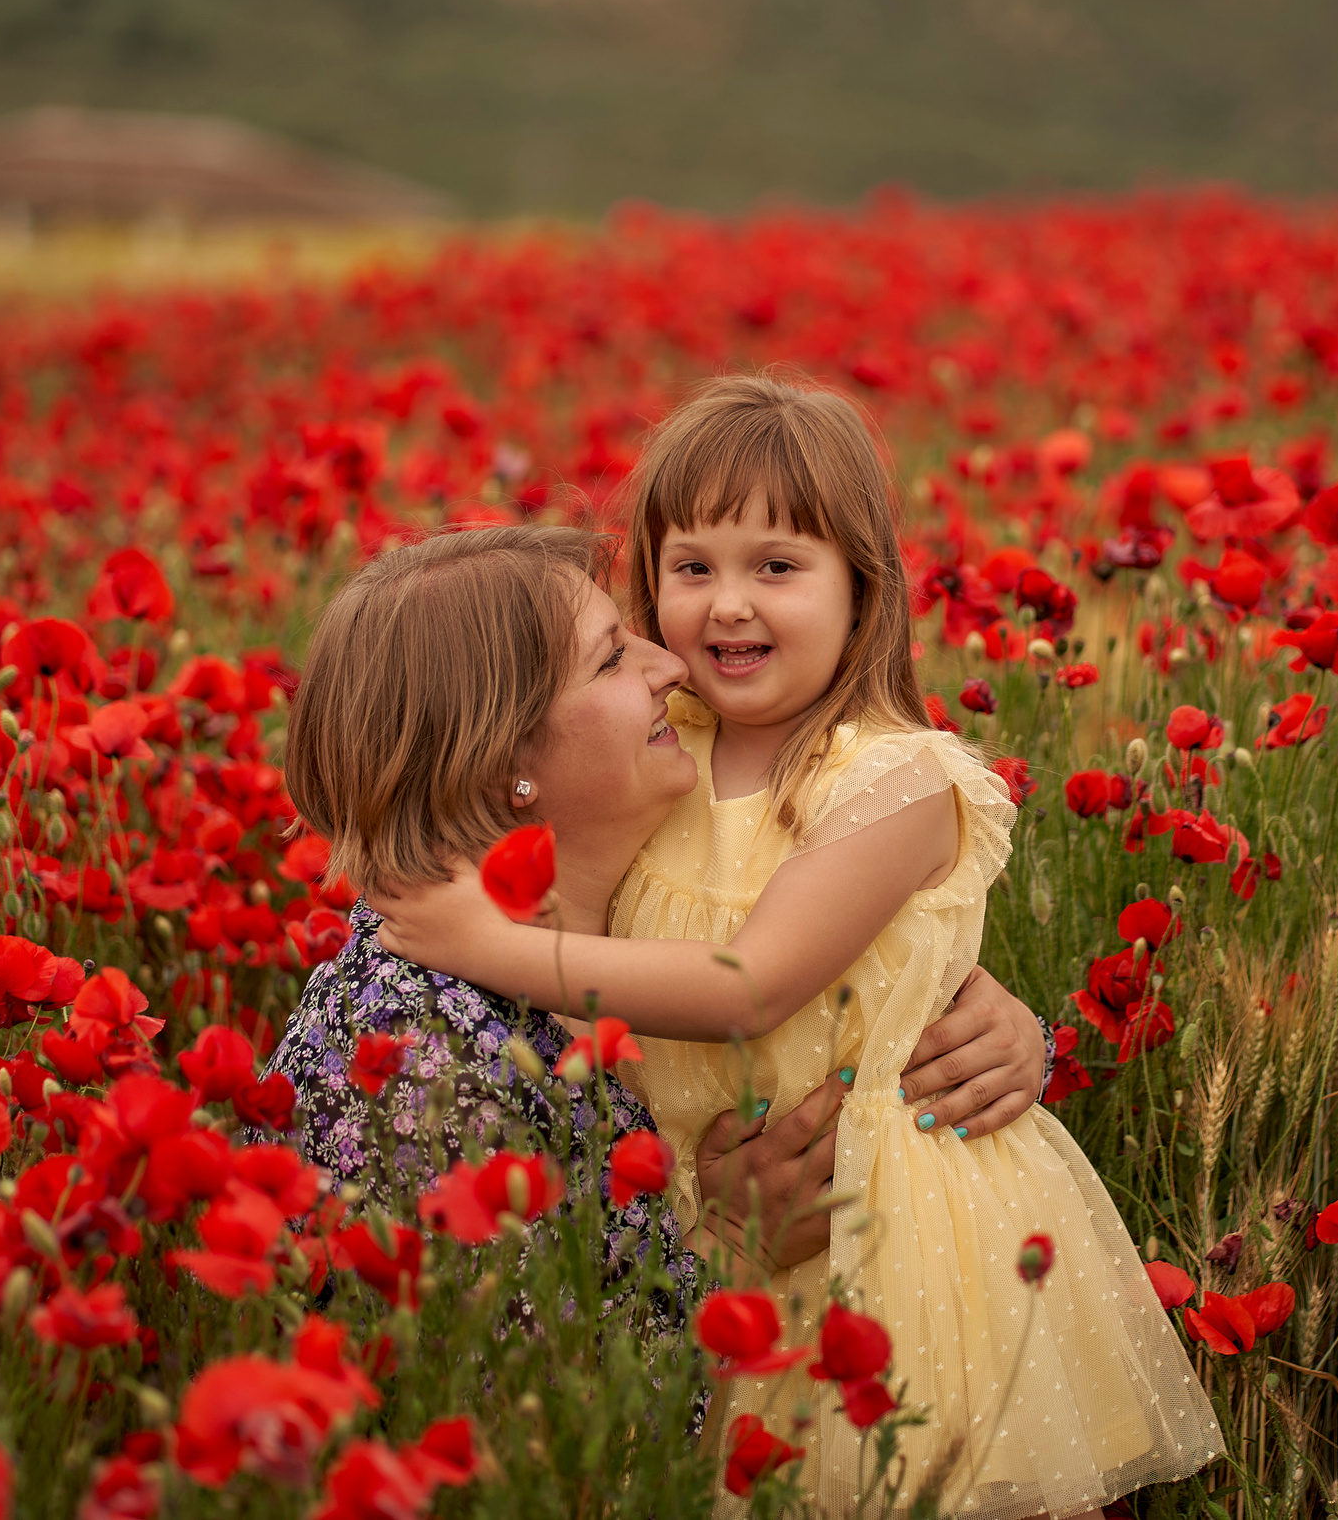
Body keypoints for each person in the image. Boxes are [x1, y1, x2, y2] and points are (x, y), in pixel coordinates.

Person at [375, 377, 1223, 1520]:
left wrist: (484, 945)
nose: (727, 606)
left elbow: (756, 981)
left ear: (863, 590)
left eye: (777, 567)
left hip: (886, 1229)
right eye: (692, 569)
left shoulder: (891, 779)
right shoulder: (661, 742)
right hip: (712, 1219)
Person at [265, 525, 1054, 1325]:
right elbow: (518, 1409)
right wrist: (730, 1245)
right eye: (611, 658)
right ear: (503, 762)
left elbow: (786, 967)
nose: (671, 665)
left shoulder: (622, 896)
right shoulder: (419, 1052)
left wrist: (991, 1023)